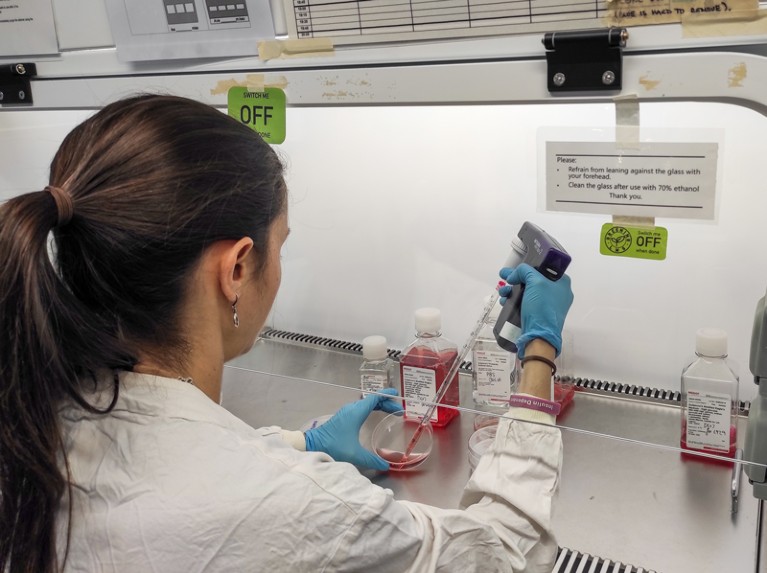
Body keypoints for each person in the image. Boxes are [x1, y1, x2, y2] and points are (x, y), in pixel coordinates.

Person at [0, 94, 574, 573]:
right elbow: (504, 551)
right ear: (237, 270)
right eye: (281, 245)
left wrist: (298, 444)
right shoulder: (304, 507)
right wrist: (539, 349)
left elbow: (155, 465)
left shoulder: (28, 421)